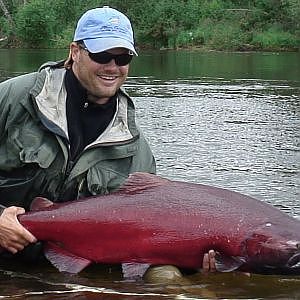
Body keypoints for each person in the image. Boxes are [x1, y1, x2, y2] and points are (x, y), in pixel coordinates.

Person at [0, 6, 216, 276]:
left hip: (63, 270)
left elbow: (145, 235)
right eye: (102, 55)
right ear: (75, 52)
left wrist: (196, 262)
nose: (113, 68)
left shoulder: (136, 152)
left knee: (168, 277)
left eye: (123, 58)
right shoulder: (14, 98)